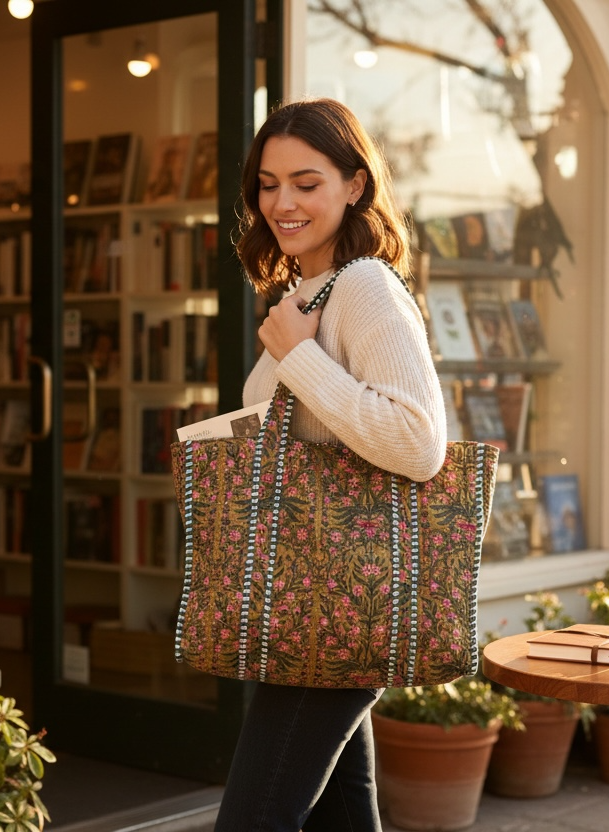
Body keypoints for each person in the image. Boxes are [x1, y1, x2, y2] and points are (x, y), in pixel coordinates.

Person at [213, 98, 447, 831]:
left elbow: (418, 442)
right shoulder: (307, 292)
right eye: (267, 183)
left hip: (340, 597)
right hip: (316, 597)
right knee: (344, 820)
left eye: (306, 183)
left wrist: (300, 358)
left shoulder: (366, 289)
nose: (282, 202)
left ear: (354, 185)